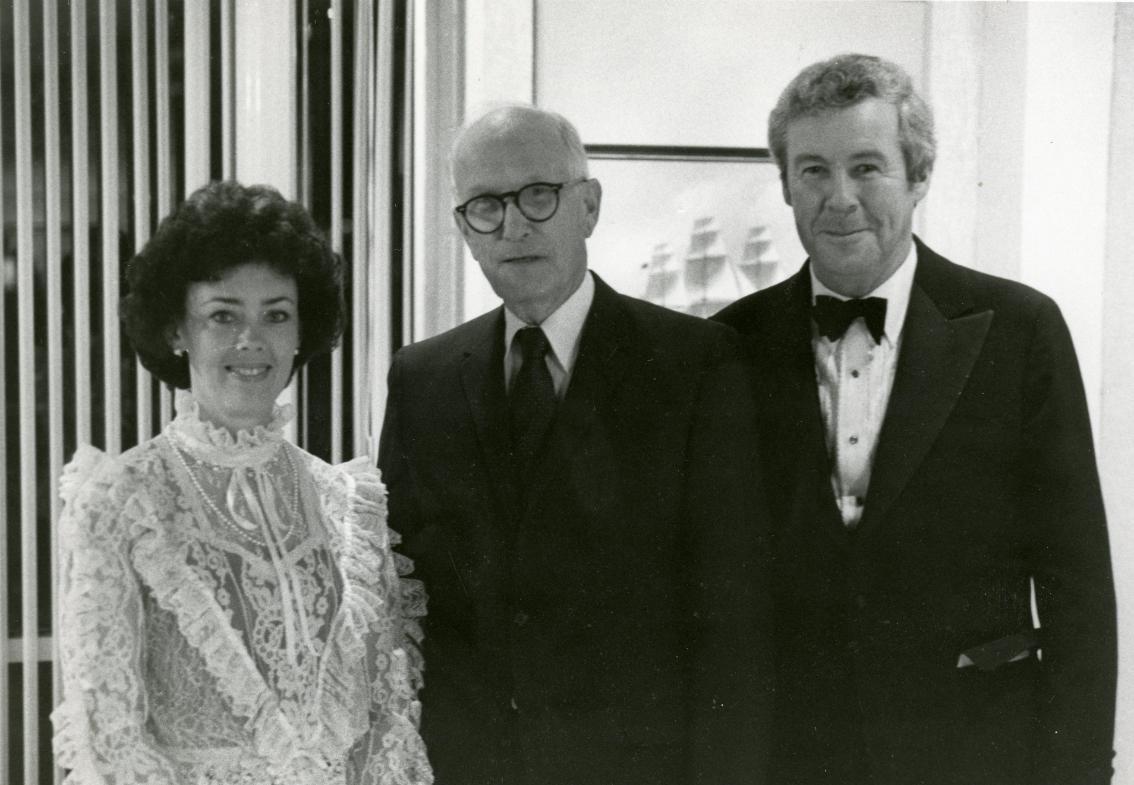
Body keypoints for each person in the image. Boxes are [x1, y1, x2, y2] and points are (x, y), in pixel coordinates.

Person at [714, 53, 1116, 785]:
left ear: (919, 176)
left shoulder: (1020, 329)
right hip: (791, 758)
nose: (839, 198)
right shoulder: (728, 344)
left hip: (976, 751)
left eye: (867, 167)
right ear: (785, 184)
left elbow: (1076, 581)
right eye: (812, 170)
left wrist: (1081, 770)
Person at [378, 105, 771, 785]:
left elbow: (736, 631)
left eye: (539, 194)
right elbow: (399, 604)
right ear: (463, 229)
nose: (515, 225)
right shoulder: (423, 379)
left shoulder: (695, 365)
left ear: (587, 205)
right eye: (485, 206)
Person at [52, 181, 433, 785]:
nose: (250, 341)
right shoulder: (121, 499)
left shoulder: (347, 502)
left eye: (275, 314)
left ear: (302, 331)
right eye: (222, 315)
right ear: (177, 330)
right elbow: (112, 743)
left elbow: (385, 725)